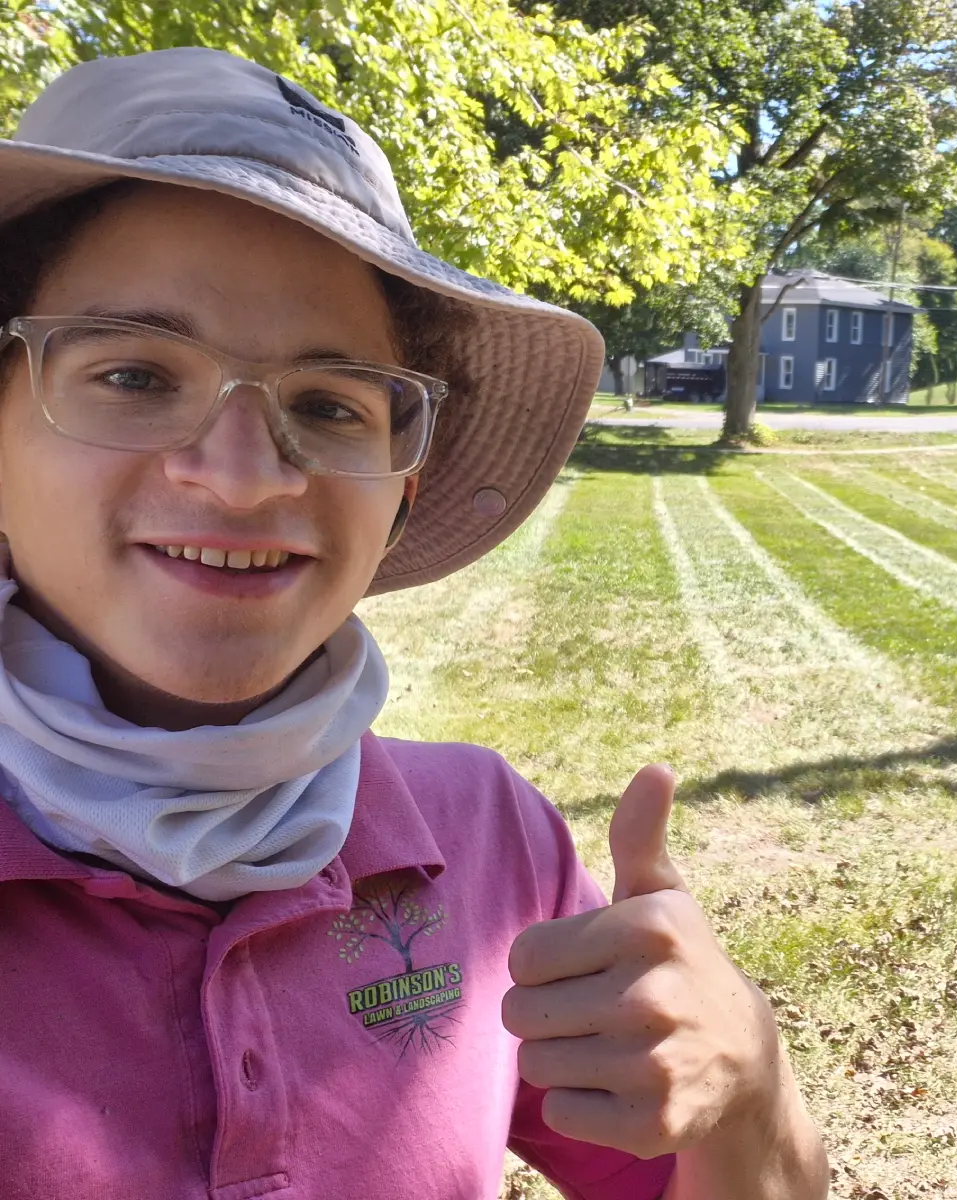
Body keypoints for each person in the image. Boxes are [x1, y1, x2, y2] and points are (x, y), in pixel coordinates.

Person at [0, 47, 827, 1200]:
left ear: (403, 490)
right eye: (135, 376)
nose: (243, 480)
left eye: (329, 403)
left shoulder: (489, 844)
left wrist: (748, 1085)